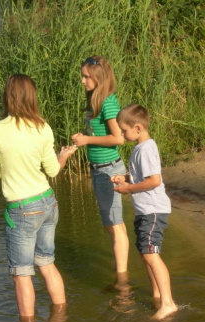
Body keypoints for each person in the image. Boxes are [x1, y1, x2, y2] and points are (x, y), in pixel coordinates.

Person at [0, 73, 77, 317]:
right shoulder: (42, 127)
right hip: (48, 202)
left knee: (21, 272)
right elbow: (52, 171)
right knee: (46, 263)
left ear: (7, 96)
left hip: (22, 208)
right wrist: (64, 156)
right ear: (32, 97)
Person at [111, 104, 178, 320]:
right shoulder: (140, 148)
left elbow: (154, 180)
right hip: (145, 211)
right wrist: (126, 179)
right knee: (145, 253)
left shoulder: (147, 149)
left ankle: (168, 303)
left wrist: (128, 189)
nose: (121, 134)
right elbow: (143, 178)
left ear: (138, 128)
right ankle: (158, 296)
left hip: (153, 210)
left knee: (150, 253)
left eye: (124, 130)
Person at [71, 56, 130, 277]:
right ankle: (122, 271)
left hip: (109, 170)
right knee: (111, 225)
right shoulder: (95, 101)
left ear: (99, 77)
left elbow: (118, 139)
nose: (83, 81)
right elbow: (99, 134)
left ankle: (122, 279)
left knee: (115, 225)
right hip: (98, 170)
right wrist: (83, 137)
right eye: (83, 76)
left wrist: (87, 140)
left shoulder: (108, 102)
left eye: (87, 77)